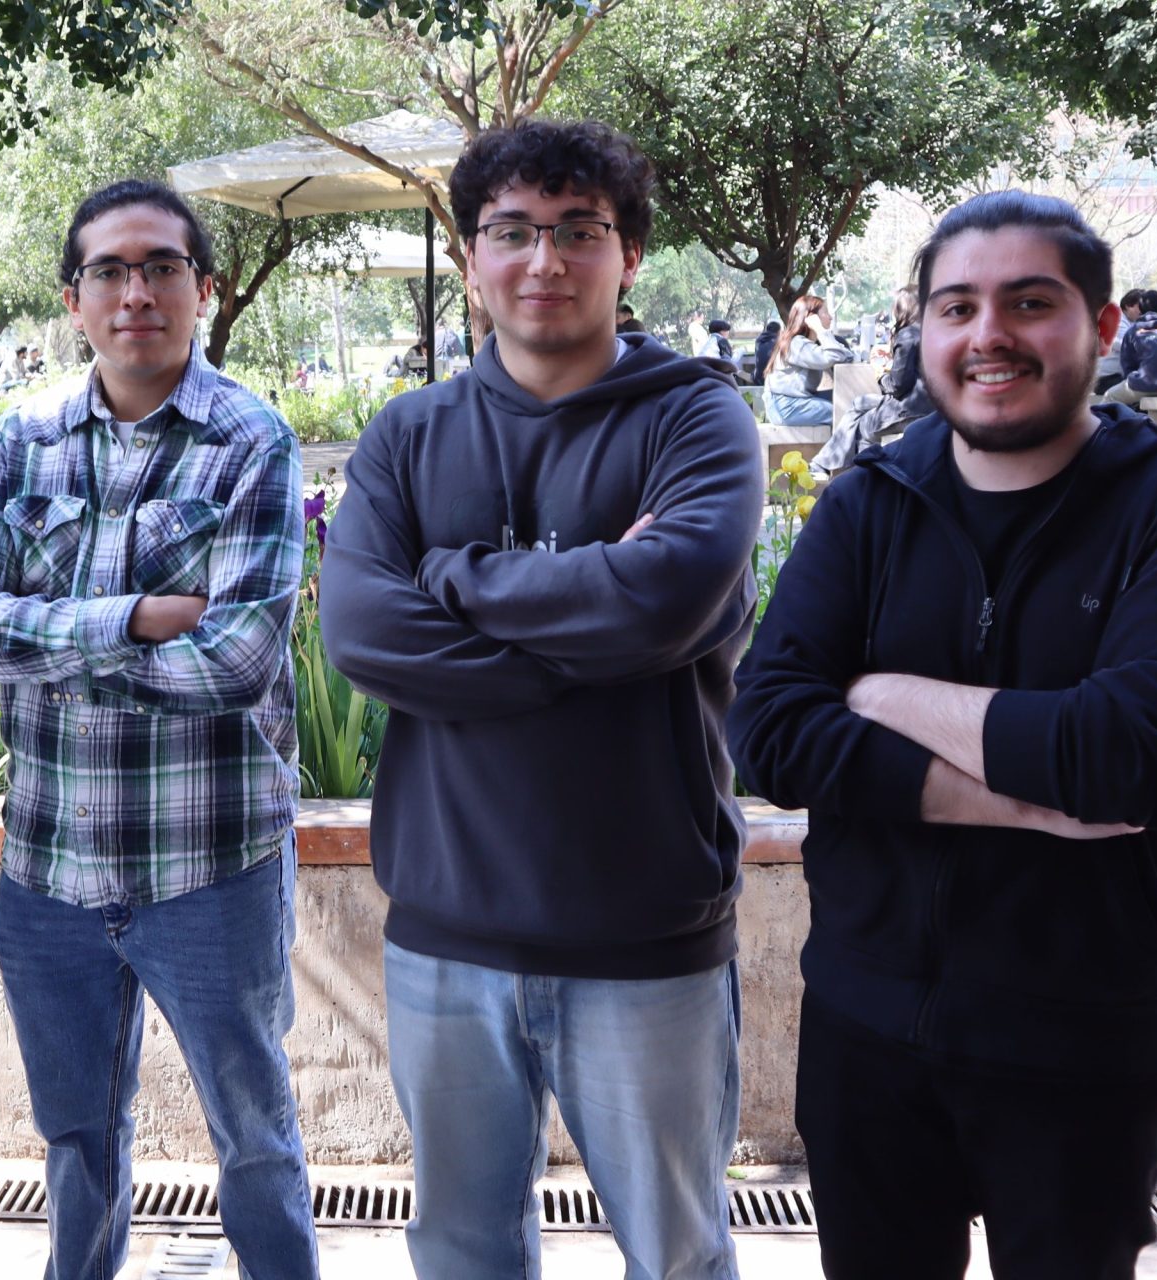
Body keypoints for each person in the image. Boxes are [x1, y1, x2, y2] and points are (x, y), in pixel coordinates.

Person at [730, 190, 1157, 1280]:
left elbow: (1128, 758)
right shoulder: (868, 504)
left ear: (1100, 327)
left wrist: (875, 692)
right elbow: (770, 731)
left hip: (1087, 1036)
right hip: (868, 1023)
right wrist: (1039, 794)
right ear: (922, 328)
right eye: (957, 306)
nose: (989, 335)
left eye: (1029, 302)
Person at [320, 117, 761, 1280]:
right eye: (512, 231)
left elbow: (663, 598)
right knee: (462, 1251)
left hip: (645, 932)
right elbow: (361, 631)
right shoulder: (409, 435)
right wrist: (596, 632)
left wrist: (450, 576)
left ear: (628, 255)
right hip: (445, 934)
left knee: (676, 1255)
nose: (544, 259)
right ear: (471, 257)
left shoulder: (696, 417)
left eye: (579, 230)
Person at [0, 179, 317, 1280]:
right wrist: (139, 619)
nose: (135, 291)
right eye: (108, 270)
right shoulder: (23, 440)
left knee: (254, 1134)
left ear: (205, 288)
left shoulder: (251, 440)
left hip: (211, 864)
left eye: (161, 267)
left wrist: (46, 641)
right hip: (49, 868)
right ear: (73, 298)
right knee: (75, 1137)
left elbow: (238, 661)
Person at [810, 285, 932, 479]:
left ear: (903, 308)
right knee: (859, 403)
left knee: (863, 427)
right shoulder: (931, 331)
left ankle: (860, 480)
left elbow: (898, 385)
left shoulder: (908, 335)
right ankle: (822, 465)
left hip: (911, 408)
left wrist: (880, 373)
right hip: (930, 406)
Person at [763, 294, 856, 425]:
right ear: (811, 318)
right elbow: (834, 356)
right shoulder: (796, 344)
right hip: (786, 407)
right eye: (825, 312)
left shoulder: (807, 343)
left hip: (795, 402)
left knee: (848, 403)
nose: (830, 317)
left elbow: (846, 356)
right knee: (844, 413)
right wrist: (821, 330)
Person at [1102, 286, 1157, 408]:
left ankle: (1104, 421)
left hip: (1144, 383)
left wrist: (1134, 378)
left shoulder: (1133, 330)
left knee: (1110, 396)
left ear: (1140, 308)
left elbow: (1127, 362)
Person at [1092, 288, 1143, 393]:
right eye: (1140, 306)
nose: (1143, 310)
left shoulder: (1134, 322)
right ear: (1128, 306)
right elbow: (1127, 345)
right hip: (1106, 379)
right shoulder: (1117, 320)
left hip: (1118, 376)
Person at [750, 319, 781, 386]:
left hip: (757, 378)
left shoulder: (758, 340)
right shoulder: (779, 342)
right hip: (771, 379)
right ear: (779, 331)